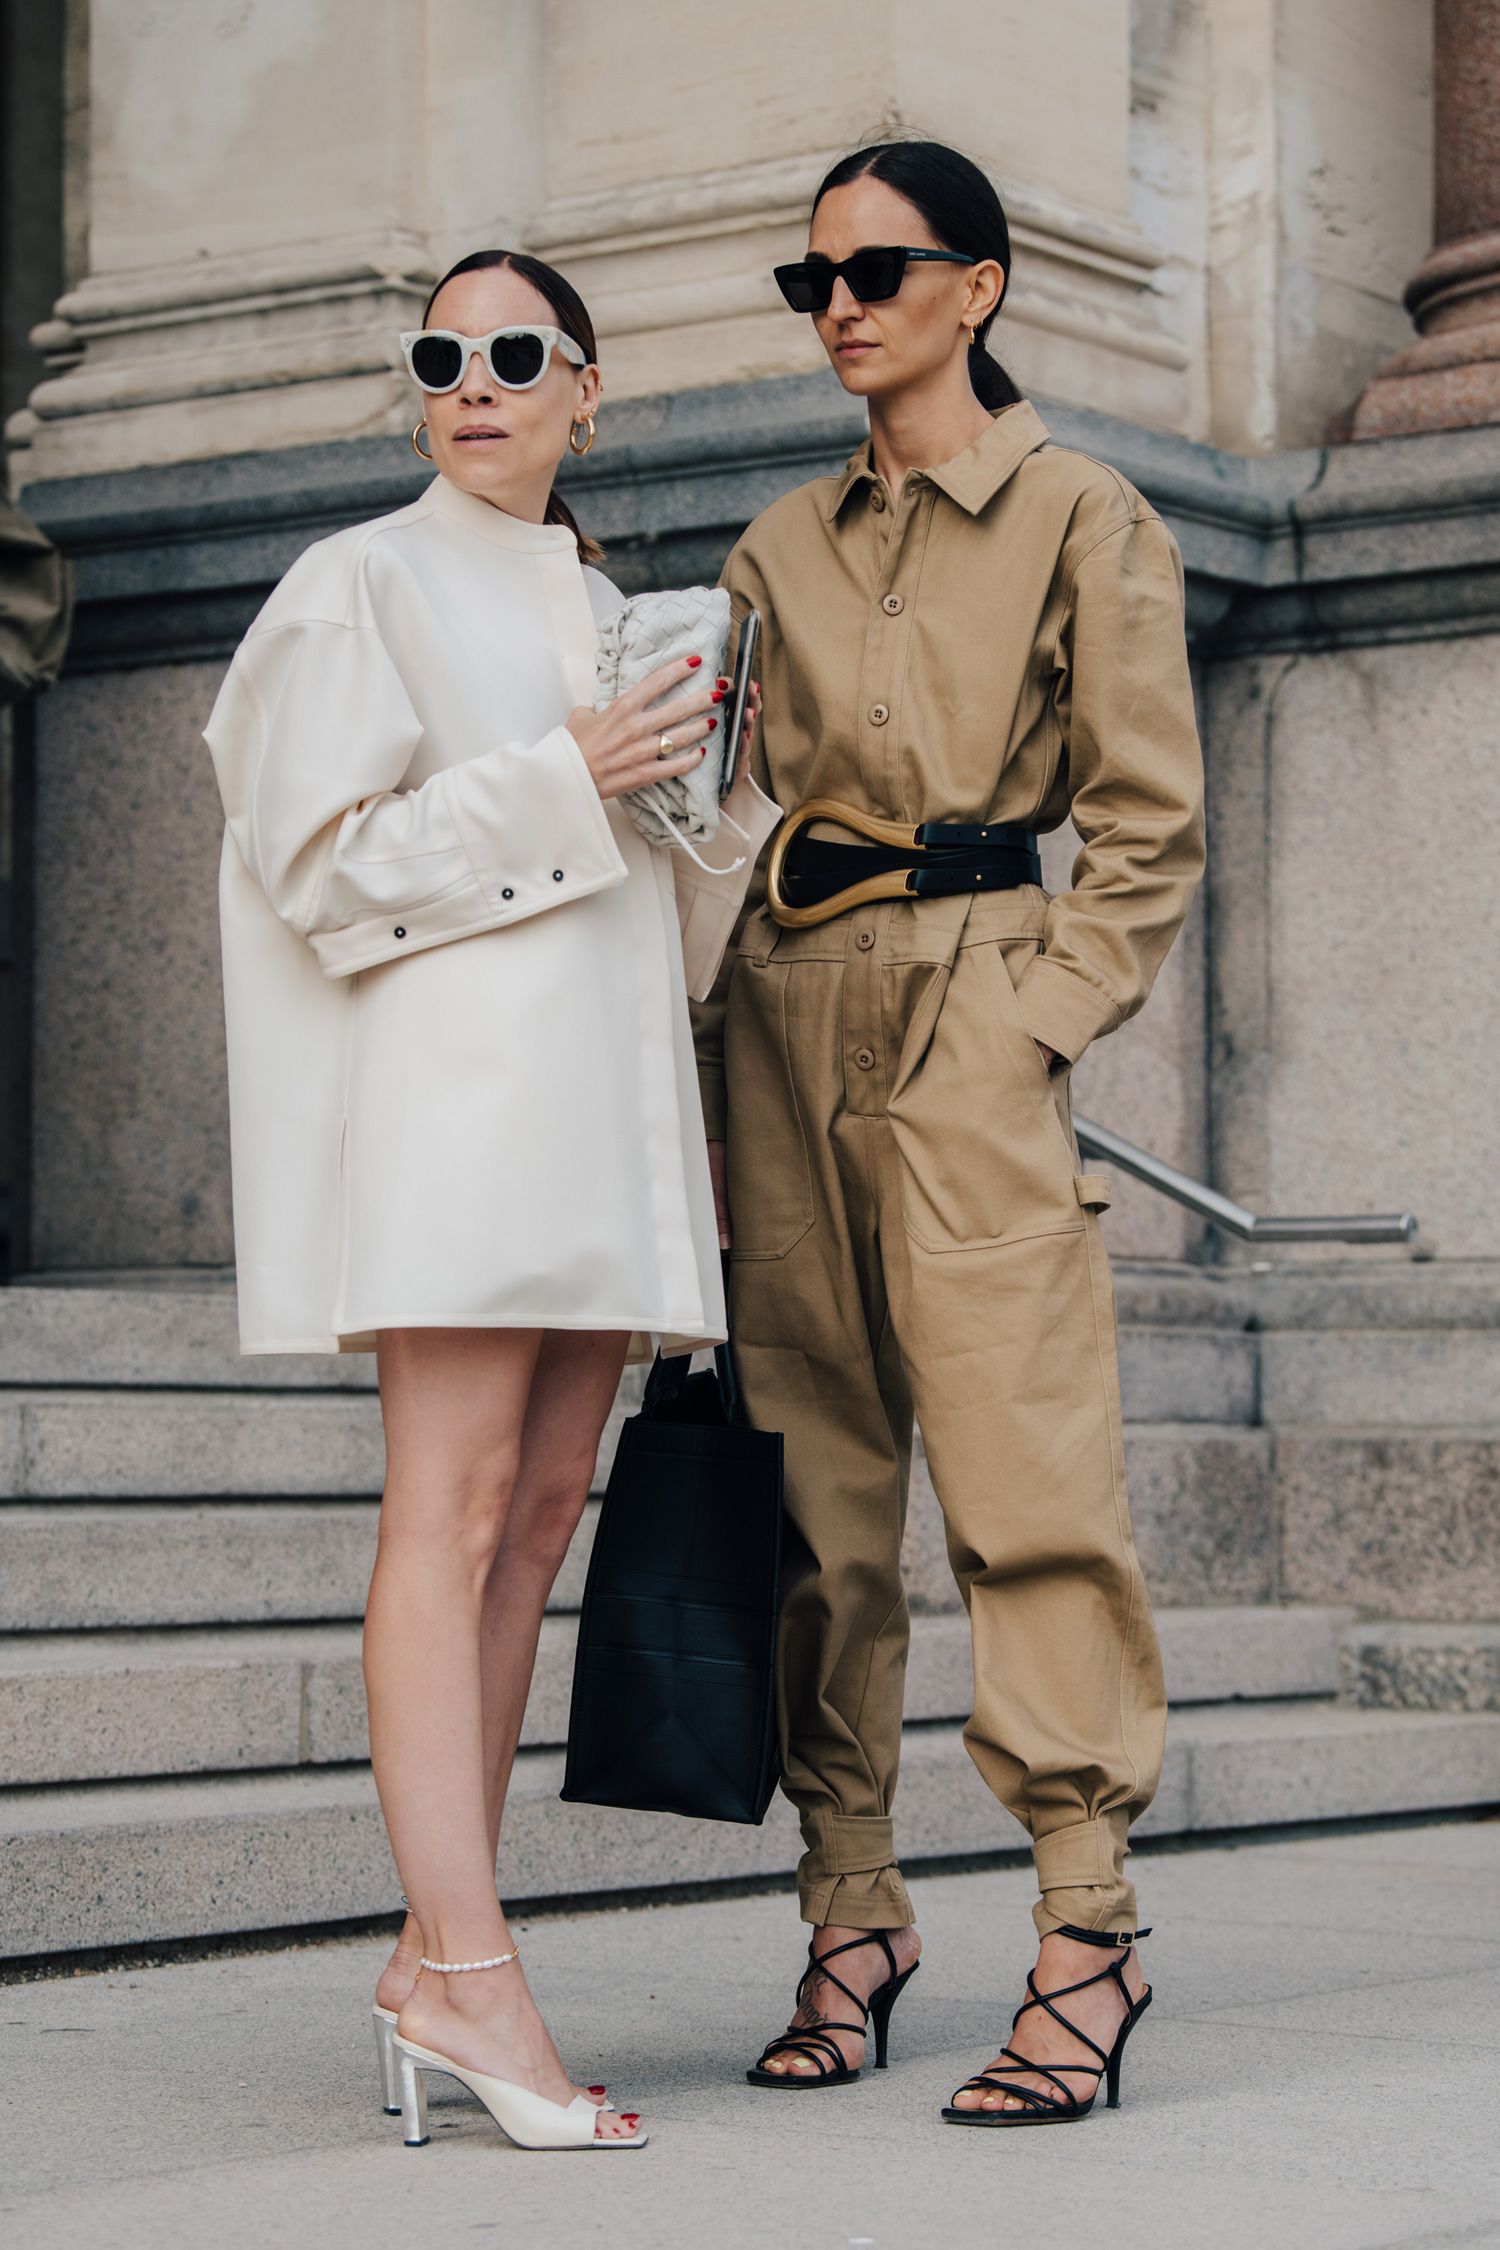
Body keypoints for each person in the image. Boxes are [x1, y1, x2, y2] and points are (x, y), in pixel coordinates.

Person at [205, 249, 774, 2152]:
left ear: (587, 388)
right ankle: (466, 1965)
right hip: (454, 1111)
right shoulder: (358, 578)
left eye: (514, 353)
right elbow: (313, 860)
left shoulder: (610, 606)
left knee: (535, 1516)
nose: (474, 379)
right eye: (441, 354)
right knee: (445, 1510)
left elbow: (657, 916)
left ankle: (431, 1950)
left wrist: (715, 791)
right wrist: (562, 772)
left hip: (593, 1115)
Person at [694, 141, 1204, 2124]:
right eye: (811, 277)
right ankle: (853, 1911)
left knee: (1023, 1482)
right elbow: (712, 821)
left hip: (976, 1005)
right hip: (781, 1017)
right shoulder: (771, 552)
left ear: (978, 287)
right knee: (824, 1512)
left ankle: (1089, 1930)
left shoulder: (1089, 514)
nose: (843, 305)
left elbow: (1147, 834)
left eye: (882, 269)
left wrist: (1028, 1028)